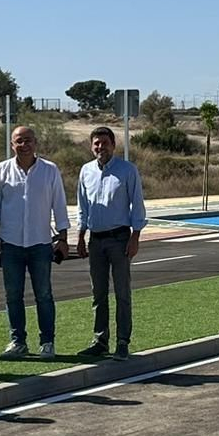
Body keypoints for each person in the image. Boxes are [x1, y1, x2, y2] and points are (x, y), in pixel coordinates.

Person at [0, 124, 69, 359]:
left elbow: (59, 207)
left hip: (40, 244)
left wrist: (63, 239)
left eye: (28, 140)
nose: (24, 145)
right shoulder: (2, 170)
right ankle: (17, 342)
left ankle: (47, 342)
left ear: (36, 143)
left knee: (44, 294)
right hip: (10, 244)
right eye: (19, 141)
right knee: (13, 296)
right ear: (12, 144)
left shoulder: (50, 170)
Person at [76, 126, 146, 359]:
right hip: (96, 240)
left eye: (104, 143)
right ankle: (100, 341)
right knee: (98, 294)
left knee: (122, 293)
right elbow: (83, 206)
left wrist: (135, 237)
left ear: (113, 145)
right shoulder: (86, 171)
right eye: (96, 143)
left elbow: (137, 205)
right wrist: (81, 237)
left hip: (119, 239)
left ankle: (123, 342)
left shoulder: (127, 171)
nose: (100, 147)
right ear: (91, 146)